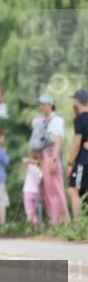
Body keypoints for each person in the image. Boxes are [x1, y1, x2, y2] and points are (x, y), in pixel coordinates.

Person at [32, 93, 70, 227]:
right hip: (45, 155)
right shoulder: (43, 120)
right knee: (48, 191)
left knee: (56, 190)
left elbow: (57, 140)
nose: (41, 107)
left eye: (43, 105)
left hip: (52, 154)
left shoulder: (56, 120)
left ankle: (64, 222)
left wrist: (53, 160)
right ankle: (54, 221)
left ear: (50, 105)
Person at [66, 89, 88, 219]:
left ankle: (79, 226)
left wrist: (70, 163)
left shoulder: (80, 119)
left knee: (73, 190)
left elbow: (77, 143)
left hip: (83, 161)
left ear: (77, 101)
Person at [21, 149, 44, 229]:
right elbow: (41, 184)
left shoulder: (30, 166)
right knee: (34, 212)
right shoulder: (41, 171)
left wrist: (34, 162)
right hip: (36, 193)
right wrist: (37, 162)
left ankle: (29, 229)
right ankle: (36, 228)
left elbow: (24, 160)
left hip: (28, 192)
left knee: (29, 213)